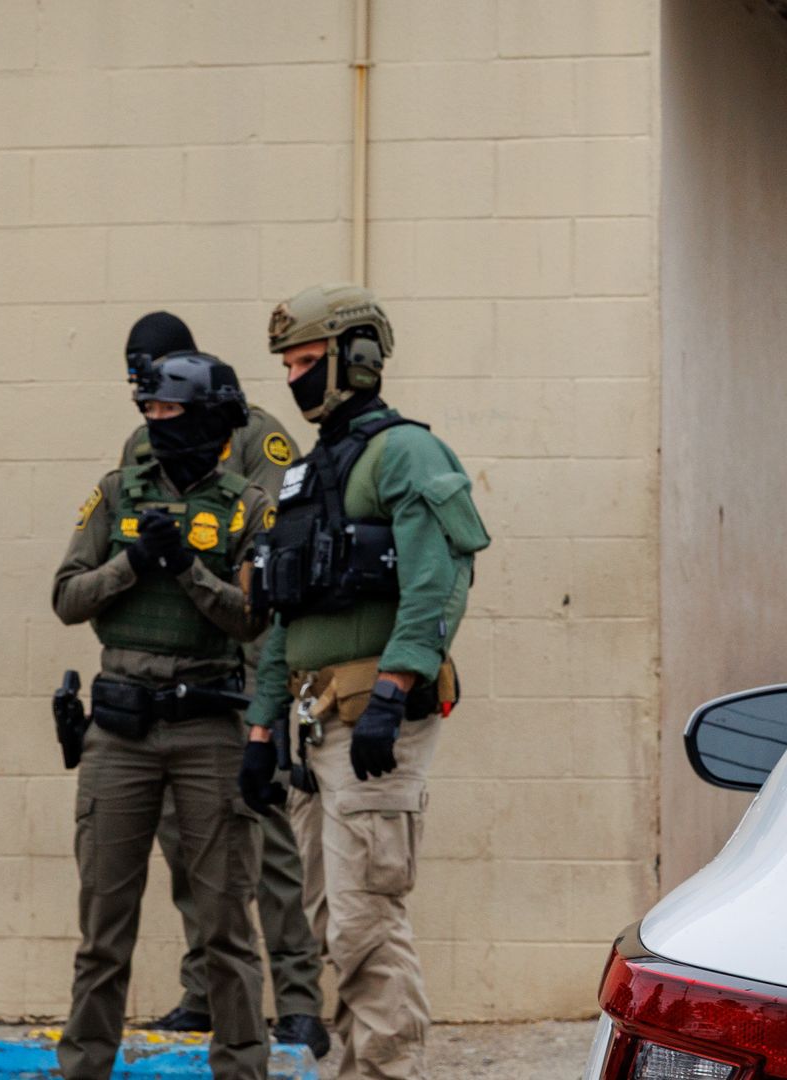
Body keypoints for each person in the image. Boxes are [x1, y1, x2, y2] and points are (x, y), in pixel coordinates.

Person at [239, 283, 490, 1080]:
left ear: (357, 359)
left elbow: (439, 580)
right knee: (328, 926)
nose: (293, 379)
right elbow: (286, 614)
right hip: (314, 730)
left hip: (372, 721)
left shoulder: (407, 453)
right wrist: (260, 725)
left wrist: (393, 688)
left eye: (308, 362)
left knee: (366, 925)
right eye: (286, 365)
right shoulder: (309, 475)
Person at [51, 352, 276, 1080]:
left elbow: (254, 622)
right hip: (119, 730)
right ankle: (85, 1068)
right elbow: (66, 599)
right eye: (148, 412)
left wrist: (186, 567)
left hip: (208, 726)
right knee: (103, 932)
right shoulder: (118, 494)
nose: (154, 424)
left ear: (209, 419)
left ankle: (242, 1069)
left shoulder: (246, 506)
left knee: (225, 931)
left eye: (170, 413)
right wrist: (132, 563)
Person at [117, 313, 329, 1057]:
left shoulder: (253, 431)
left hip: (246, 658)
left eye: (155, 380)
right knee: (185, 840)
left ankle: (299, 999)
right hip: (176, 667)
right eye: (138, 387)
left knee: (264, 832)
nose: (147, 402)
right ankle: (204, 991)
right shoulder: (141, 442)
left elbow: (277, 541)